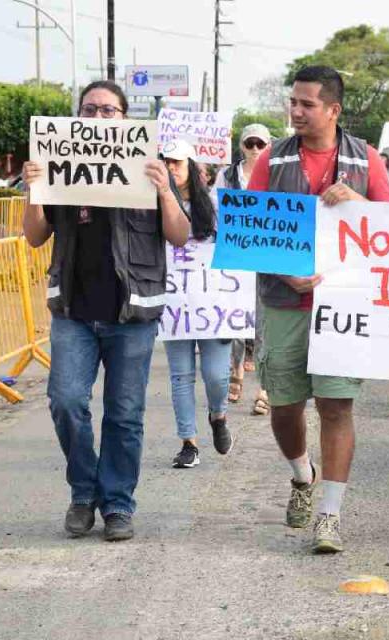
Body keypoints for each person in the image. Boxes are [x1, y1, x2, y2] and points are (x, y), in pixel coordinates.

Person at [22, 80, 191, 542]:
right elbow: (35, 236)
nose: (98, 118)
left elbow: (179, 235)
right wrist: (33, 191)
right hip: (74, 312)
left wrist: (163, 191)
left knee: (124, 412)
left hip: (131, 316)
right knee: (67, 401)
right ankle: (83, 493)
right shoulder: (59, 168)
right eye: (90, 109)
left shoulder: (149, 170)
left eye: (108, 111)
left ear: (123, 117)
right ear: (78, 116)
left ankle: (117, 504)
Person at [246, 65, 389, 553]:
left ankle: (330, 515)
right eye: (293, 102)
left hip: (343, 307)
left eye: (307, 104)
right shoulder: (272, 160)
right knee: (286, 405)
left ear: (333, 109)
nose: (296, 111)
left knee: (336, 406)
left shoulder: (366, 160)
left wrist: (360, 204)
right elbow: (247, 232)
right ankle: (301, 474)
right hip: (285, 303)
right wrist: (283, 271)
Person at [160, 139, 234, 469]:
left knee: (217, 376)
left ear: (191, 166)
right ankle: (188, 442)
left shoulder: (217, 205)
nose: (169, 168)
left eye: (175, 162)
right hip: (174, 305)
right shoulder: (155, 203)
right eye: (165, 162)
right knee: (180, 376)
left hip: (213, 306)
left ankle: (218, 416)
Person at [216, 123, 273, 416]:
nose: (254, 149)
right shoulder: (226, 175)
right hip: (235, 255)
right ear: (240, 146)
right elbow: (215, 208)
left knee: (263, 324)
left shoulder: (276, 173)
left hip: (265, 257)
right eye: (249, 143)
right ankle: (236, 371)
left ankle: (263, 387)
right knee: (235, 321)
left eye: (260, 144)